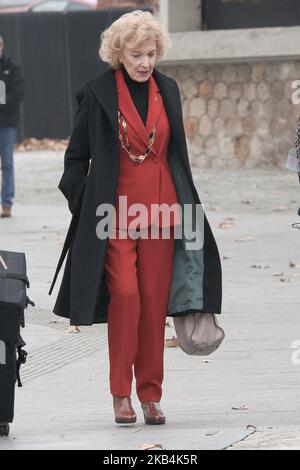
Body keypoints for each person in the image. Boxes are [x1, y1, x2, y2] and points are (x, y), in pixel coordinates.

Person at [49, 10, 222, 426]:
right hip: (115, 215)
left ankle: (150, 396)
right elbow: (75, 162)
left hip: (164, 213)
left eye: (151, 53)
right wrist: (86, 205)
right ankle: (120, 393)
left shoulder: (169, 90)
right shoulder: (96, 93)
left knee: (152, 304)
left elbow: (177, 155)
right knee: (125, 296)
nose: (145, 62)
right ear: (118, 53)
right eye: (136, 55)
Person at [0, 35, 25, 218]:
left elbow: (17, 95)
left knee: (7, 163)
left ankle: (6, 203)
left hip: (7, 125)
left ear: (2, 46)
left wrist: (2, 100)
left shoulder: (12, 68)